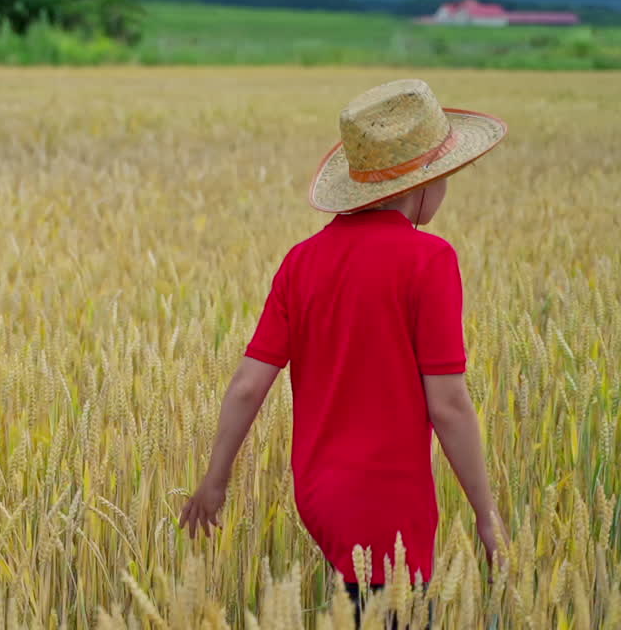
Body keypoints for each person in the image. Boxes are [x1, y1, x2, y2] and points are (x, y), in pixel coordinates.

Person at [178, 79, 507, 626]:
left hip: (321, 494)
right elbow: (448, 404)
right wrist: (485, 513)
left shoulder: (301, 261)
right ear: (423, 185)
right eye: (447, 179)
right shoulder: (429, 260)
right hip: (389, 498)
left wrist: (216, 481)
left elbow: (247, 385)